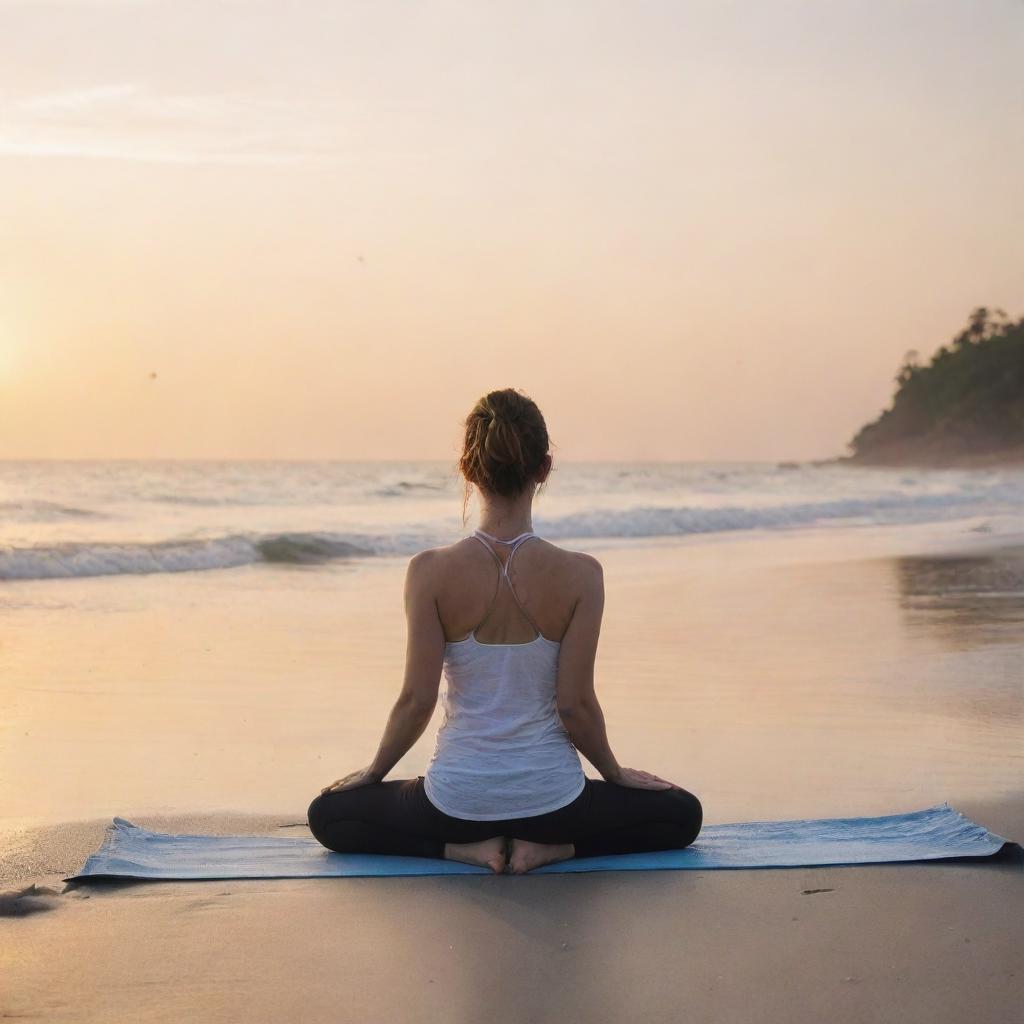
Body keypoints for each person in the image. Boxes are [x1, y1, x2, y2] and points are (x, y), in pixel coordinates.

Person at [306, 388, 702, 874]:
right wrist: (614, 774)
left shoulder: (429, 571)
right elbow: (574, 706)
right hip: (555, 805)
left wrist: (374, 773)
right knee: (682, 814)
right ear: (544, 468)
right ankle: (551, 849)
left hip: (455, 804)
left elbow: (416, 700)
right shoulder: (581, 575)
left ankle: (465, 850)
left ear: (467, 470)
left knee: (328, 815)